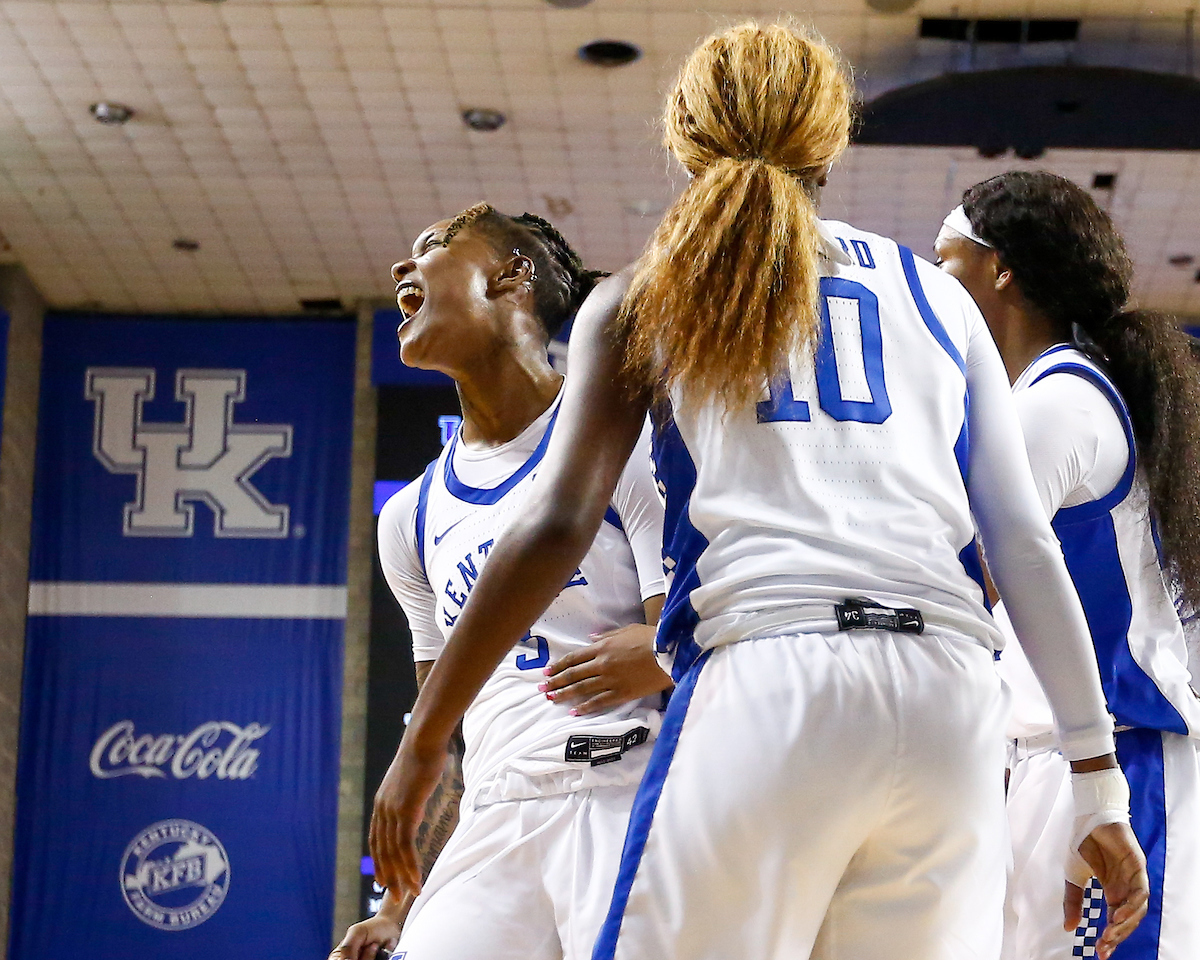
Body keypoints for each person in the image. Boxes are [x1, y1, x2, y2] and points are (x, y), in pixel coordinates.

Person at [377, 23, 1150, 960]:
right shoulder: (940, 296)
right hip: (951, 699)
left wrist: (424, 742)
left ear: (685, 137)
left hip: (772, 678)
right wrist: (1095, 776)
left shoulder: (647, 293)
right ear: (831, 142)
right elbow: (1025, 548)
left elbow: (553, 525)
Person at [330, 204, 671, 960]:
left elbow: (684, 646)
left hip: (625, 790)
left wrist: (657, 650)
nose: (402, 270)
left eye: (434, 247)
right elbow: (445, 731)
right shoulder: (409, 516)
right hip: (494, 812)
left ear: (512, 275)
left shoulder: (627, 437)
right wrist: (399, 904)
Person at [934, 171, 1200, 960]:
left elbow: (959, 583)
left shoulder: (1057, 404)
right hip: (1062, 759)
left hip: (1119, 759)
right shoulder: (1055, 393)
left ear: (1000, 269)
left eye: (947, 265)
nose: (936, 288)